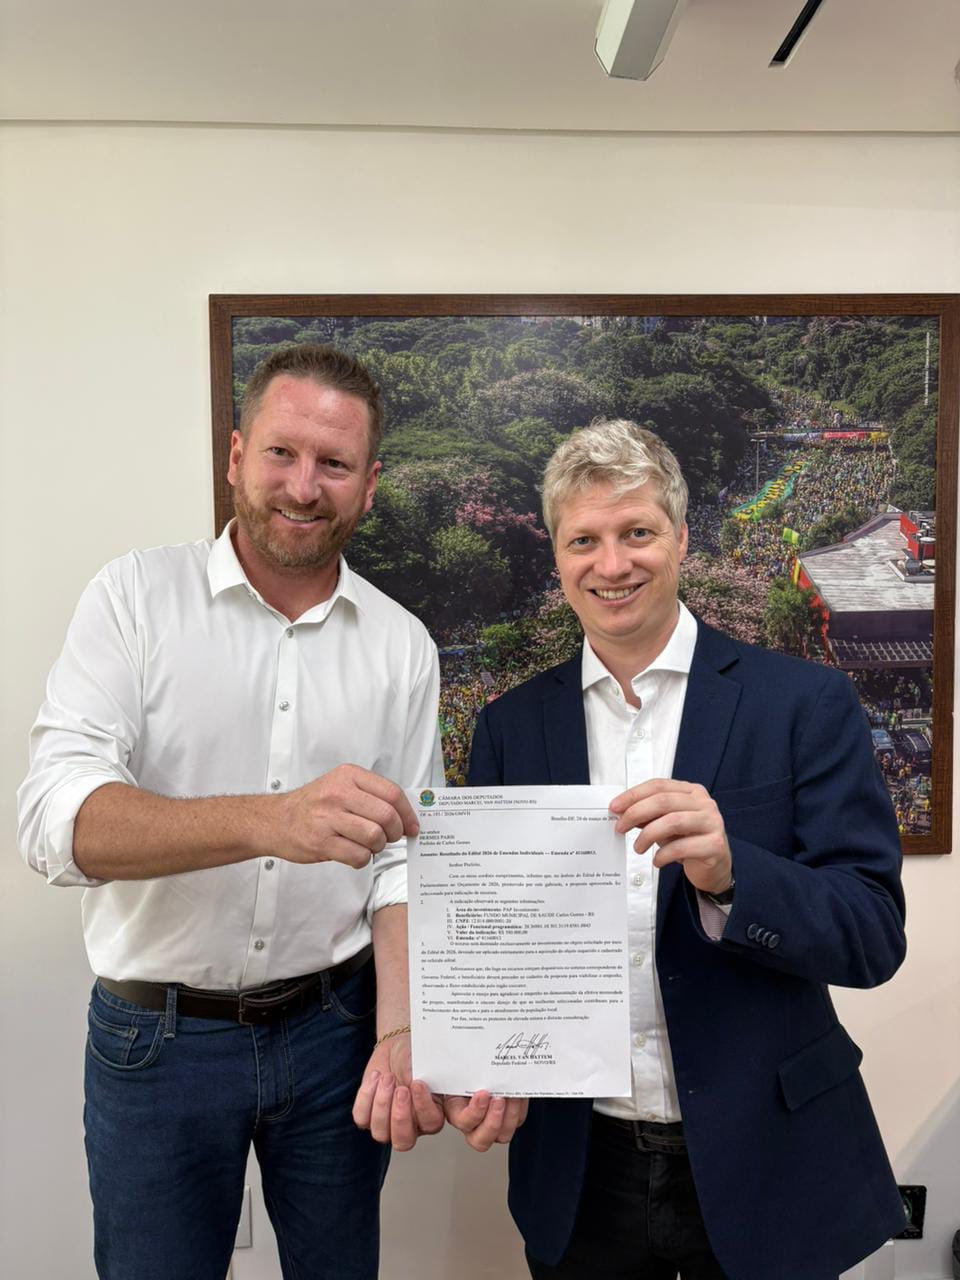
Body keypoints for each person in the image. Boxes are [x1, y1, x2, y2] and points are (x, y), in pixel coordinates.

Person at [18, 344, 446, 1280]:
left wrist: (400, 1030)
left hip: (337, 1029)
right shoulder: (133, 599)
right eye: (282, 453)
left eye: (334, 464)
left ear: (369, 485)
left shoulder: (403, 645)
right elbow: (57, 824)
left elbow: (405, 862)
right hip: (156, 1040)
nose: (304, 486)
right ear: (237, 455)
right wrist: (267, 821)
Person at [447, 420, 907, 1280]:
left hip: (768, 1156)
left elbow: (874, 934)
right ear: (557, 556)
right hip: (579, 1171)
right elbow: (498, 946)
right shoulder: (510, 726)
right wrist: (485, 1063)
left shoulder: (803, 702)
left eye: (637, 532)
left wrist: (734, 875)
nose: (612, 564)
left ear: (683, 538)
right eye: (584, 540)